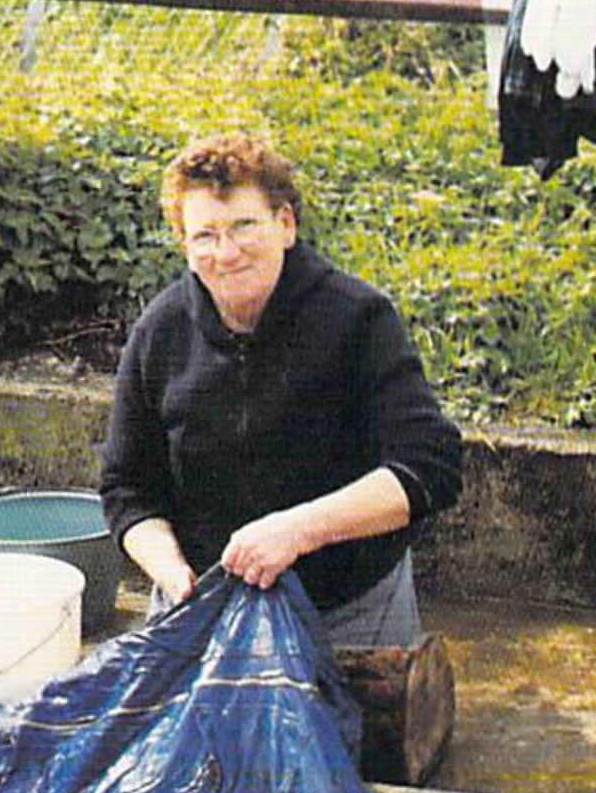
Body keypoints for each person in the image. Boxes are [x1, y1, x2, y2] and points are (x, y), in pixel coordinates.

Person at [99, 133, 463, 648]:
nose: (226, 253)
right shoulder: (161, 331)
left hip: (343, 609)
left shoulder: (358, 319)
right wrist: (172, 573)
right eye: (204, 236)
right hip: (202, 604)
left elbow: (430, 468)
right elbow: (125, 487)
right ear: (184, 244)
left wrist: (296, 532)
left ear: (285, 224)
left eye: (244, 226)